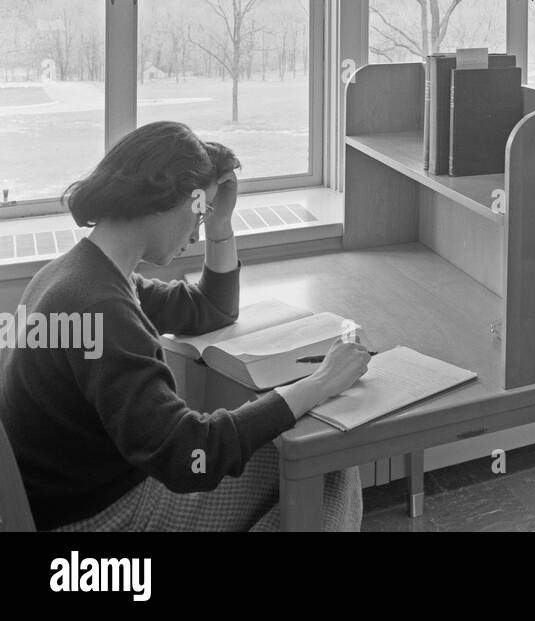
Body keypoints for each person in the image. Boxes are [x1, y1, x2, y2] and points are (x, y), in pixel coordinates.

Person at [0, 121, 370, 531]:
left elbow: (211, 308)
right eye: (199, 211)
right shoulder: (101, 305)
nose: (196, 229)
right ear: (165, 197)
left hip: (73, 501)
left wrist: (220, 227)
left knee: (302, 461)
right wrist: (318, 384)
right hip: (105, 517)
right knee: (326, 462)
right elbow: (189, 457)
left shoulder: (79, 274)